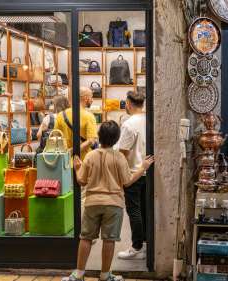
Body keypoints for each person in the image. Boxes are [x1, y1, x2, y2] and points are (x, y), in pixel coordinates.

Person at [65, 121, 154, 281]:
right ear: (117, 138)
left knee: (85, 238)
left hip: (92, 202)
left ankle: (78, 274)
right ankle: (105, 275)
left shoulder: (91, 156)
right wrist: (143, 167)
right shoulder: (119, 157)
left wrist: (77, 168)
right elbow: (127, 181)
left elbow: (81, 181)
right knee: (109, 239)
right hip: (114, 204)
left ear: (99, 136)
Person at [116, 91, 147, 260]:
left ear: (128, 103)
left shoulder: (129, 124)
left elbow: (123, 153)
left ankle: (136, 247)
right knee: (144, 210)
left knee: (134, 211)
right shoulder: (148, 120)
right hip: (147, 170)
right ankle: (144, 243)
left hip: (133, 173)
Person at [54, 87, 98, 160]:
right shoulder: (89, 116)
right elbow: (91, 141)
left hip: (65, 162)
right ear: (86, 98)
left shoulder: (61, 115)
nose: (92, 100)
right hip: (83, 162)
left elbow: (55, 136)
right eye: (91, 97)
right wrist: (73, 151)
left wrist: (66, 152)